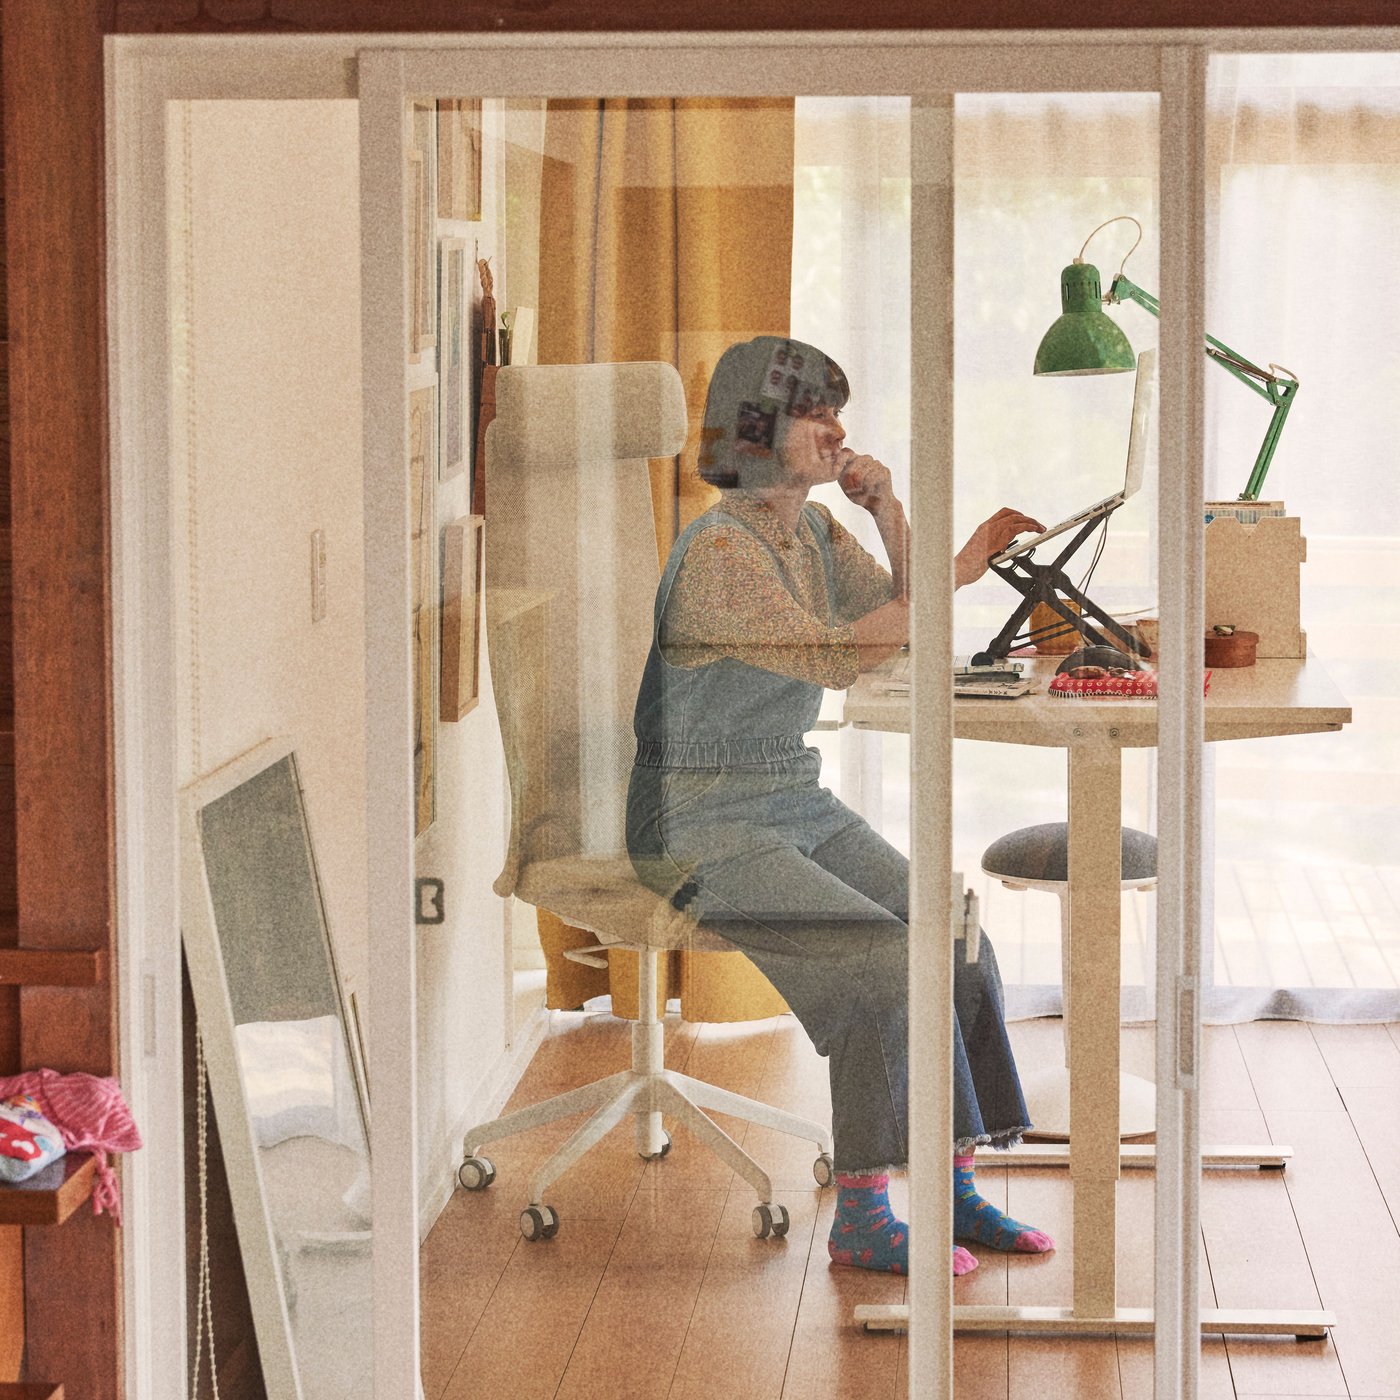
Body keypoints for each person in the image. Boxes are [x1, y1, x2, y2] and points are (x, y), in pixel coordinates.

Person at [626, 336, 1055, 1277]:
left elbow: (905, 605)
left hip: (789, 794)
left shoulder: (811, 534)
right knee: (877, 962)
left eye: (836, 412)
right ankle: (863, 1208)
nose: (839, 430)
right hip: (700, 820)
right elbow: (844, 651)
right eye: (819, 414)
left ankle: (953, 1189)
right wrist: (960, 569)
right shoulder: (721, 553)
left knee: (947, 928)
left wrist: (889, 509)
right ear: (762, 432)